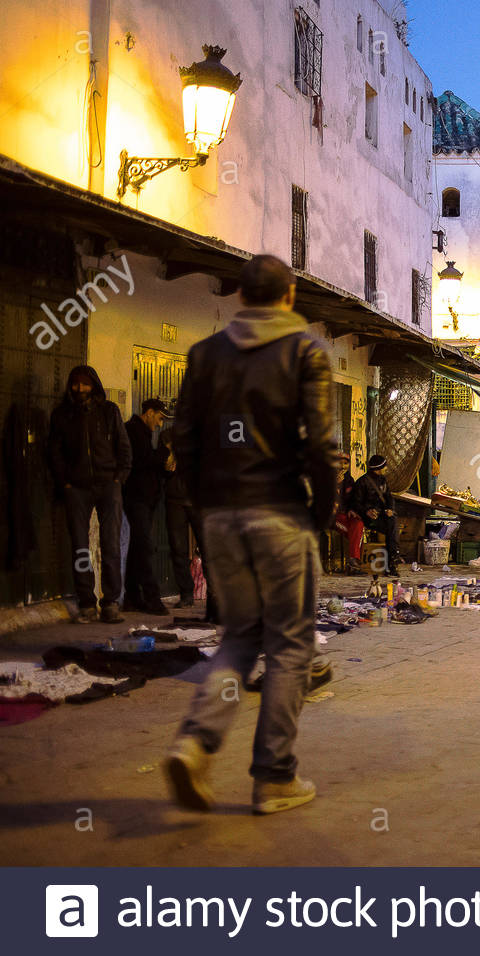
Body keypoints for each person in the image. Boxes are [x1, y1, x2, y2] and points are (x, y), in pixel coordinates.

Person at [166, 253, 337, 816]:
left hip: (220, 516)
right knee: (289, 646)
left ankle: (195, 744)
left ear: (240, 297)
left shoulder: (204, 354)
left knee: (240, 638)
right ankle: (274, 777)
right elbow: (320, 445)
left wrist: (203, 504)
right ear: (289, 297)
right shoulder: (306, 350)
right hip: (280, 514)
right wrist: (321, 511)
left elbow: (183, 438)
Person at [48, 365, 131, 623]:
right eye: (76, 384)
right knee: (80, 548)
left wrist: (118, 480)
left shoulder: (109, 412)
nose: (80, 389)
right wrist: (66, 483)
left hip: (109, 485)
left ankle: (110, 603)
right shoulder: (62, 415)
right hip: (78, 488)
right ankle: (86, 602)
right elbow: (54, 452)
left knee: (111, 545)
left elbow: (124, 448)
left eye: (85, 384)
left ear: (94, 385)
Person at [160, 427, 218, 620]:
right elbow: (164, 466)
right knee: (177, 547)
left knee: (207, 548)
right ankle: (186, 594)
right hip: (175, 499)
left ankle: (215, 595)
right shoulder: (168, 435)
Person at [122, 398, 172, 615]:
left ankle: (133, 598)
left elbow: (147, 466)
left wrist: (163, 468)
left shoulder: (142, 432)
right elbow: (142, 460)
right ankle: (152, 599)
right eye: (160, 418)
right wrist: (164, 453)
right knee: (144, 549)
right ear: (149, 413)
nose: (160, 424)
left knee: (137, 549)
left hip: (145, 499)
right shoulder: (132, 430)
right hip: (137, 499)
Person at [353, 454, 402, 576]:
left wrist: (390, 508)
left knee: (392, 521)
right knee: (392, 529)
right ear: (379, 468)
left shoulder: (383, 480)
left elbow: (389, 498)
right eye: (384, 466)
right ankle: (392, 563)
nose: (386, 468)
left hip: (381, 515)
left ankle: (392, 562)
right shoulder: (362, 482)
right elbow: (355, 504)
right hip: (368, 519)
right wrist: (367, 511)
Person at [333, 454, 366, 574]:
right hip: (333, 516)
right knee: (355, 535)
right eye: (339, 463)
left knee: (359, 524)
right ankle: (354, 565)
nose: (342, 466)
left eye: (345, 463)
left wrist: (352, 509)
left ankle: (353, 563)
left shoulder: (350, 480)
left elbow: (353, 500)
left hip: (346, 515)